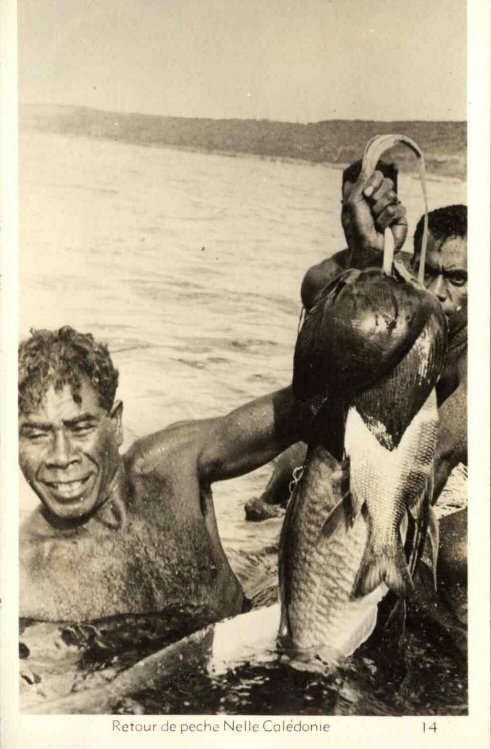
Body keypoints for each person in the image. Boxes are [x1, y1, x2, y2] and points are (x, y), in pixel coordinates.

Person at [19, 326, 304, 624]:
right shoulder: (24, 577)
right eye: (37, 435)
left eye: (80, 429)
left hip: (253, 614)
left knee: (297, 462)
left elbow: (301, 409)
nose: (62, 457)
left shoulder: (173, 466)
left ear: (115, 424)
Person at [245, 162, 467, 522]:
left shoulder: (473, 360)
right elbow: (315, 287)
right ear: (415, 262)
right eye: (430, 272)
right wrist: (364, 255)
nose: (439, 292)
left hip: (444, 471)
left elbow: (436, 457)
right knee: (293, 458)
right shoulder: (407, 289)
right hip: (387, 441)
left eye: (458, 279)